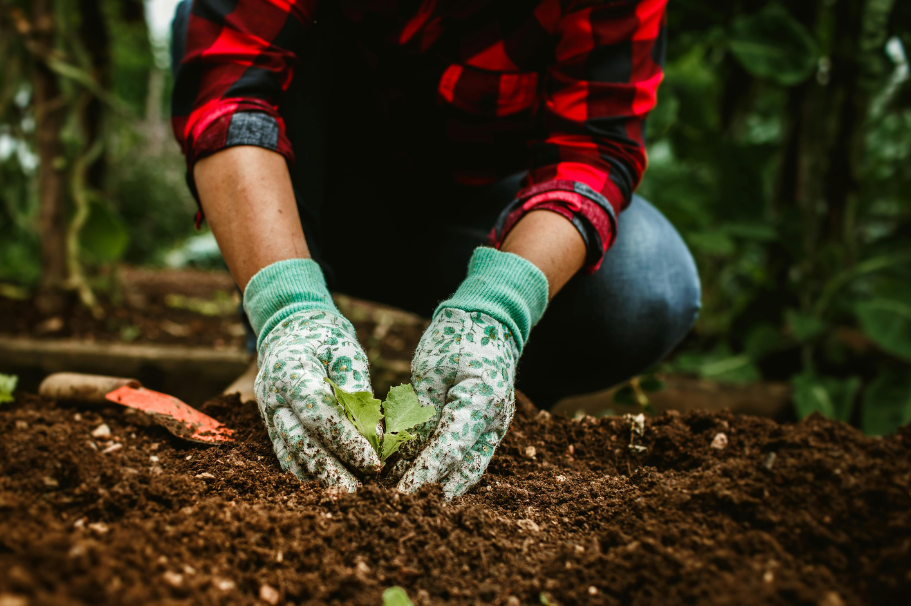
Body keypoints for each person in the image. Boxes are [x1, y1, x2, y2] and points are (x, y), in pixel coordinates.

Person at [169, 0, 699, 498]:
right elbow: (228, 88)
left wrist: (497, 308)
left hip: (480, 219)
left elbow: (593, 150)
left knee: (645, 281)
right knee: (210, 19)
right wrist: (287, 308)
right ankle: (277, 355)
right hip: (318, 201)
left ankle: (483, 394)